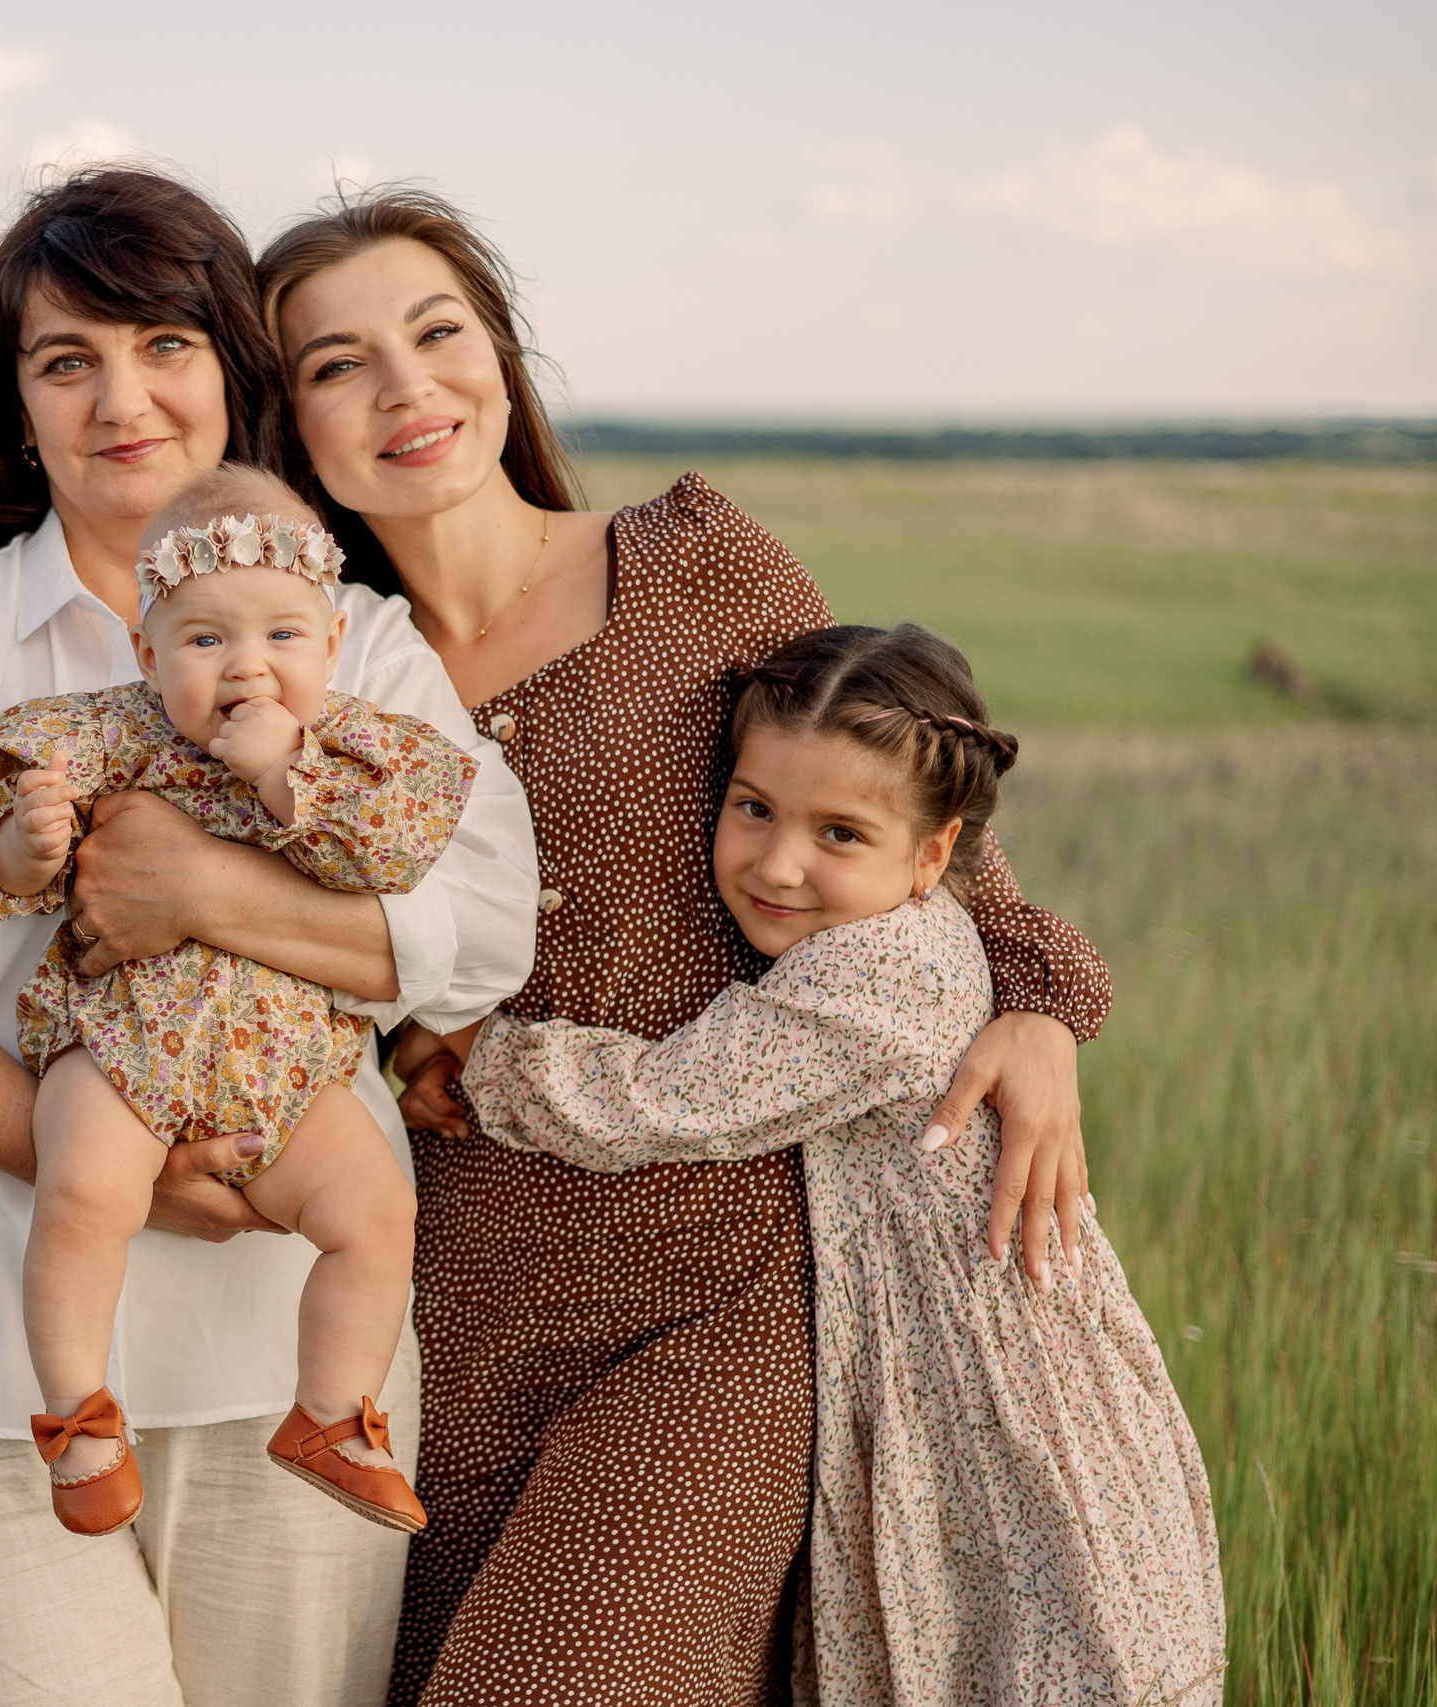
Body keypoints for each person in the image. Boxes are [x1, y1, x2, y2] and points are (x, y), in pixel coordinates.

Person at [255, 188, 1114, 1704]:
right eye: (337, 363)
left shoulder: (689, 564)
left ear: (500, 359)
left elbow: (906, 803)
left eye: (437, 332)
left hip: (719, 1292)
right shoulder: (300, 664)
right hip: (430, 1304)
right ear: (291, 422)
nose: (406, 388)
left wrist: (1041, 1000)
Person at [0, 168, 539, 1706]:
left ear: (230, 372)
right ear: (20, 402)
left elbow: (483, 921)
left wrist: (208, 895)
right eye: (68, 360)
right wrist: (102, 1168)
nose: (123, 396)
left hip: (284, 1339)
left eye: (166, 344)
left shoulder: (359, 641)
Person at [460, 623, 1227, 1706]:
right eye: (752, 807)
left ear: (928, 856)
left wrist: (471, 1058)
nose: (778, 865)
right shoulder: (893, 928)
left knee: (1028, 1655)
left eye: (839, 833)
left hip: (985, 1390)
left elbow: (664, 1099)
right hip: (945, 1359)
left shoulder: (877, 977)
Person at [0, 465, 472, 1537]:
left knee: (374, 1213)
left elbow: (394, 853)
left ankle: (332, 1414)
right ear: (148, 652)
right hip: (123, 1039)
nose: (247, 669)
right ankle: (79, 1416)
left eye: (282, 637)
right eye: (207, 640)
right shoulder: (113, 732)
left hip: (288, 1065)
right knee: (82, 1193)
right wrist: (27, 844)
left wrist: (284, 776)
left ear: (332, 645)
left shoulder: (356, 754)